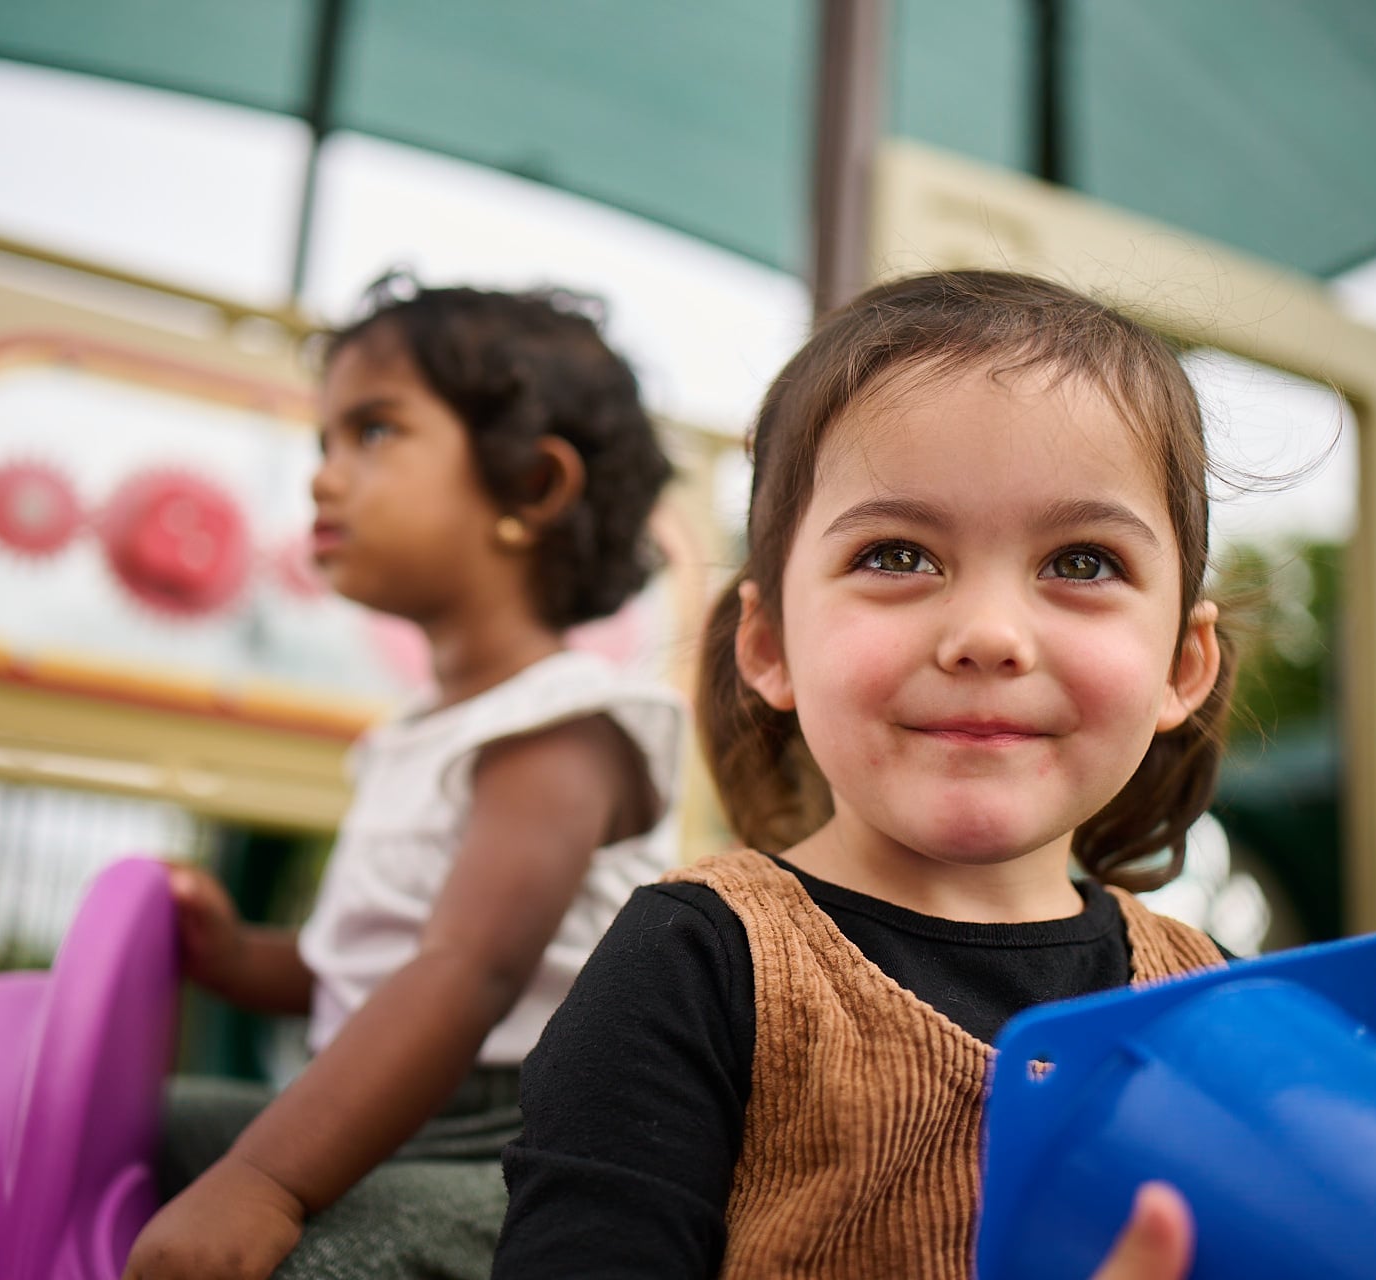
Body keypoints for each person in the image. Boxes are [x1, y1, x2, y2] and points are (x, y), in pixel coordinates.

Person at [492, 270, 1239, 1280]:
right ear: (770, 642)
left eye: (1081, 562)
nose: (987, 634)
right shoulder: (693, 964)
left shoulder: (1223, 1005)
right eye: (897, 553)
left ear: (1182, 666)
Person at [124, 279, 685, 1280]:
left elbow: (466, 973)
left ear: (531, 487)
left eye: (374, 433)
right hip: (379, 1105)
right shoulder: (419, 732)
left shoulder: (559, 729)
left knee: (325, 1260)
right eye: (324, 444)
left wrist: (267, 1179)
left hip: (514, 1143)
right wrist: (235, 954)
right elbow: (366, 970)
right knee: (125, 1125)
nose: (325, 479)